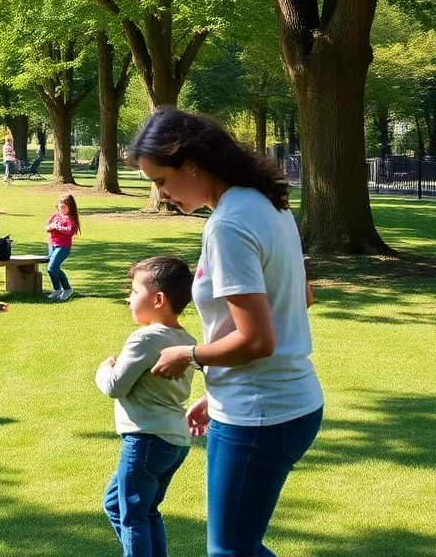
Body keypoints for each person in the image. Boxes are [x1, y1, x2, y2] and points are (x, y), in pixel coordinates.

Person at [134, 109, 323, 557]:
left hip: (263, 411)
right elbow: (303, 296)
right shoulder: (262, 203)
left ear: (192, 164)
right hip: (269, 402)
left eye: (161, 181)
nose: (160, 195)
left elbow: (257, 340)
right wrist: (217, 390)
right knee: (239, 547)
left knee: (231, 550)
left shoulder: (230, 224)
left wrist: (191, 356)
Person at [96, 257, 198, 557]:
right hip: (175, 441)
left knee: (134, 516)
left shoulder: (145, 338)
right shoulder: (186, 339)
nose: (128, 298)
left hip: (146, 439)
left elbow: (115, 386)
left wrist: (103, 368)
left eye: (134, 290)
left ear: (158, 299)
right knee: (128, 506)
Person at [45, 193, 81, 301]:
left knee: (52, 267)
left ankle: (67, 289)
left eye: (64, 206)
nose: (61, 207)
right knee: (53, 269)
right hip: (52, 245)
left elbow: (70, 231)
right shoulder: (55, 216)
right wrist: (51, 227)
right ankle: (57, 290)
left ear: (70, 207)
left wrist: (58, 227)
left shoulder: (70, 219)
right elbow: (47, 226)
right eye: (60, 204)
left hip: (63, 247)